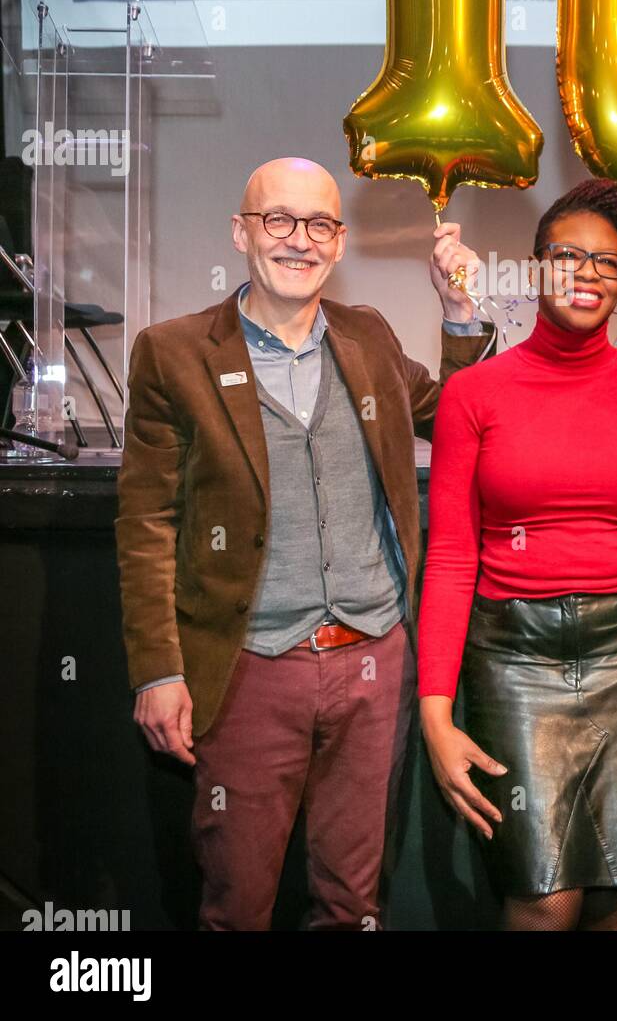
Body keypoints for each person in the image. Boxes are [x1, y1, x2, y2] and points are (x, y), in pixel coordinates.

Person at [115, 157, 492, 930]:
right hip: (250, 668)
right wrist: (157, 669)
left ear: (340, 240)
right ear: (241, 232)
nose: (300, 240)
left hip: (376, 659)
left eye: (319, 224)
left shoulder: (369, 338)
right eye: (278, 220)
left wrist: (458, 313)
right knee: (237, 906)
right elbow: (146, 523)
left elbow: (458, 420)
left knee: (353, 903)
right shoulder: (173, 353)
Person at [417, 179, 617, 931]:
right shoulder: (473, 394)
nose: (587, 274)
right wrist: (436, 714)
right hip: (513, 662)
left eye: (607, 263)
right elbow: (452, 559)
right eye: (568, 257)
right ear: (535, 266)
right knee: (544, 901)